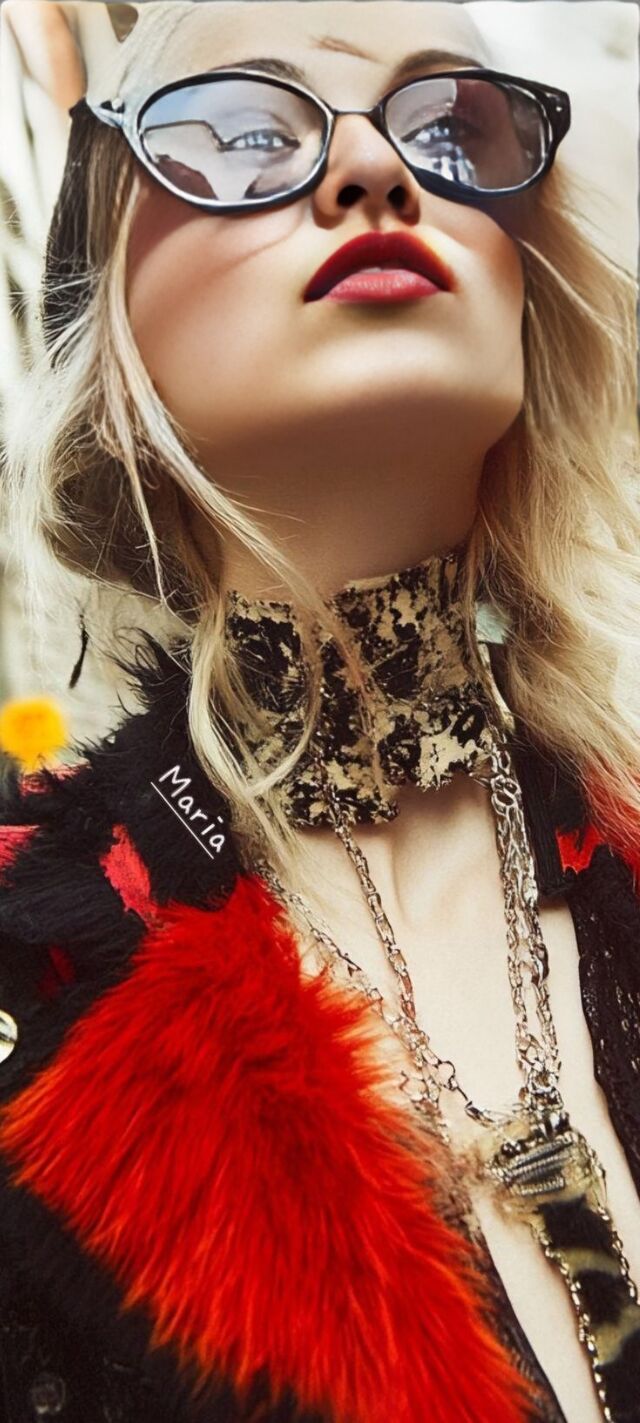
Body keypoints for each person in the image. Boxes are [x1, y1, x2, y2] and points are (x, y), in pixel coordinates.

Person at [0, 3, 639, 1420]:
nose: (373, 170)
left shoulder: (618, 854)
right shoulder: (38, 1003)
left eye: (453, 128)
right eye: (240, 134)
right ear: (106, 342)